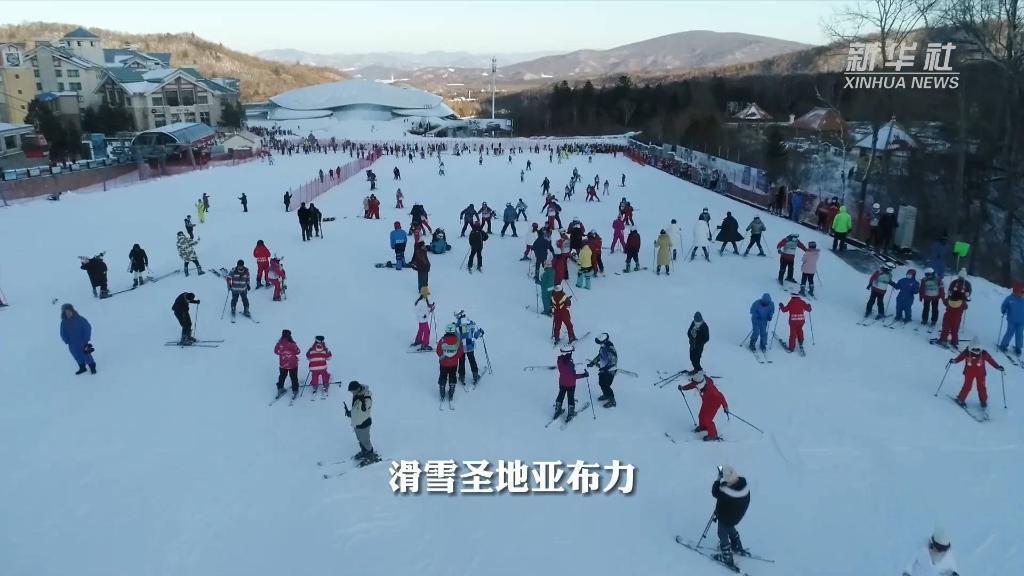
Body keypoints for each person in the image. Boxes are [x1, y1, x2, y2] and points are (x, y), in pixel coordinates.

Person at [710, 465, 750, 569]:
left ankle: (727, 556)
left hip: (727, 516)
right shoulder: (743, 484)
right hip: (738, 515)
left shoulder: (726, 491)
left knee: (722, 532)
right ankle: (736, 545)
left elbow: (715, 492)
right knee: (729, 525)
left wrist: (718, 479)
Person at [949, 341, 1003, 409]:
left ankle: (983, 401)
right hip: (969, 373)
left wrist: (997, 367)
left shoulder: (984, 353)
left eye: (977, 349)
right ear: (970, 348)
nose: (976, 351)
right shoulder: (966, 352)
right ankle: (961, 399)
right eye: (974, 349)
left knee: (981, 387)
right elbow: (959, 358)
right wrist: (954, 361)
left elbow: (991, 360)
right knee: (967, 386)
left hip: (981, 374)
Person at [679, 371, 728, 441]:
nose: (695, 384)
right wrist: (683, 388)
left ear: (700, 384)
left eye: (696, 384)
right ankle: (703, 427)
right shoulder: (700, 381)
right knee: (701, 415)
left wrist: (725, 406)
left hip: (714, 403)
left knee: (707, 419)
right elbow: (692, 385)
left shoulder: (711, 390)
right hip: (706, 401)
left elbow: (720, 396)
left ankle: (713, 435)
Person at [345, 381, 379, 463]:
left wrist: (363, 402)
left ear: (358, 388)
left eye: (353, 391)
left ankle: (370, 453)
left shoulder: (366, 397)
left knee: (365, 440)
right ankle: (364, 451)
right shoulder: (357, 394)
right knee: (360, 438)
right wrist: (350, 413)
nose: (352, 393)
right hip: (357, 422)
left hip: (364, 423)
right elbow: (356, 409)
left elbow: (365, 409)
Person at [553, 344, 589, 420]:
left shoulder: (559, 360)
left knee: (561, 395)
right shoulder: (570, 364)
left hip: (562, 382)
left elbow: (566, 370)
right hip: (571, 384)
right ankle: (570, 413)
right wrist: (583, 375)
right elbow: (573, 376)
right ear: (568, 353)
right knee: (570, 397)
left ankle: (557, 410)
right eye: (571, 353)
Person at [60, 303, 95, 374]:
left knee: (86, 354)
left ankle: (92, 367)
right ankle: (82, 367)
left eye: (69, 311)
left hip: (82, 341)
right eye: (66, 312)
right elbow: (62, 332)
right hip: (72, 343)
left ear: (72, 311)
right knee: (76, 355)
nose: (68, 313)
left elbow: (87, 328)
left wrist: (86, 339)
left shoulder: (79, 319)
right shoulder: (64, 322)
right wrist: (66, 340)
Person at [436, 323, 464, 406]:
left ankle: (442, 391)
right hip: (454, 364)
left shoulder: (442, 340)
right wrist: (455, 358)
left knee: (443, 376)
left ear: (446, 331)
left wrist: (443, 357)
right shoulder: (458, 340)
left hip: (443, 363)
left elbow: (438, 350)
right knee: (452, 376)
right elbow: (461, 351)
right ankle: (451, 391)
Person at [587, 333, 618, 408]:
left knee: (606, 385)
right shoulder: (603, 347)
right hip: (603, 370)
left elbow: (613, 361)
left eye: (600, 343)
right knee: (601, 383)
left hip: (610, 371)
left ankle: (612, 400)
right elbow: (600, 355)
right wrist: (593, 362)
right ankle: (606, 395)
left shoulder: (610, 349)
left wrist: (606, 369)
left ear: (605, 341)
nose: (599, 344)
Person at [454, 310, 484, 385]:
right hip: (470, 345)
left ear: (459, 316)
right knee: (472, 359)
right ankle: (475, 375)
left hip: (461, 347)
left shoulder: (457, 325)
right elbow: (475, 335)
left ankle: (461, 376)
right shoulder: (471, 322)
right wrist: (480, 332)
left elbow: (455, 336)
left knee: (461, 361)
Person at [999, 282, 1024, 356]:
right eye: (1018, 293)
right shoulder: (1010, 298)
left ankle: (1018, 347)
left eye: (1021, 293)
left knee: (1019, 334)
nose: (1020, 294)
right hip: (1011, 320)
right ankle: (1003, 345)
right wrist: (1004, 310)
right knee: (1009, 332)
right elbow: (1004, 305)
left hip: (1021, 321)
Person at [274, 329, 301, 399]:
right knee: (294, 377)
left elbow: (276, 351)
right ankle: (295, 390)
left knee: (282, 376)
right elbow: (298, 351)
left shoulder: (279, 343)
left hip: (283, 364)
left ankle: (280, 388)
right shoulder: (292, 344)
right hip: (292, 364)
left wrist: (283, 353)